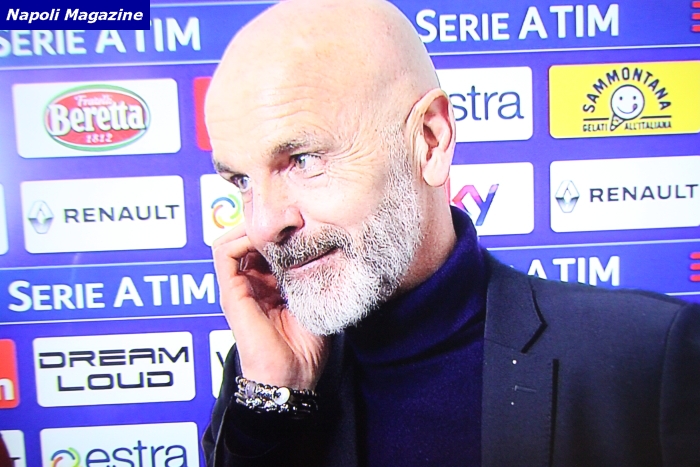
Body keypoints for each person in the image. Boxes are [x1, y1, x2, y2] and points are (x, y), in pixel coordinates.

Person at [201, 0, 700, 465]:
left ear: (429, 141)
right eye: (241, 181)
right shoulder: (262, 375)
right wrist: (273, 410)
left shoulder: (649, 356)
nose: (263, 225)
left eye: (302, 159)